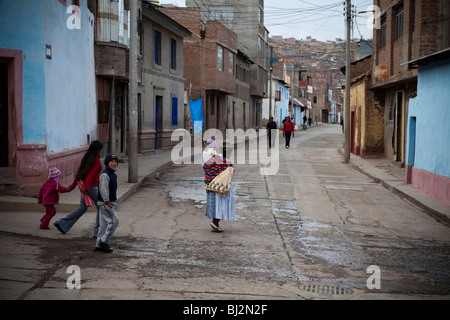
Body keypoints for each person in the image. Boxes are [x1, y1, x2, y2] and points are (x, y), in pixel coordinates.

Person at [54, 140, 103, 235]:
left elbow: (80, 174)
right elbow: (91, 175)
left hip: (85, 187)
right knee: (101, 206)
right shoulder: (96, 160)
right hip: (91, 187)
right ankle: (97, 232)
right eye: (101, 149)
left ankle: (61, 223)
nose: (101, 151)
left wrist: (73, 186)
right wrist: (87, 188)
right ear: (98, 150)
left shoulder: (87, 158)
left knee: (82, 207)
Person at [202, 139, 235, 232]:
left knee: (215, 205)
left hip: (211, 185)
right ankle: (215, 222)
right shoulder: (216, 158)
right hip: (219, 186)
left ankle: (215, 223)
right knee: (222, 204)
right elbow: (228, 164)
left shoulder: (206, 156)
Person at [95, 154, 119, 253]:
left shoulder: (113, 174)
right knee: (114, 221)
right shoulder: (105, 174)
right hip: (105, 203)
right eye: (111, 161)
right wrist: (107, 201)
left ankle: (98, 244)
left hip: (106, 203)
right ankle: (104, 242)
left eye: (115, 161)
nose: (114, 163)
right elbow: (103, 189)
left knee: (103, 225)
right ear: (107, 163)